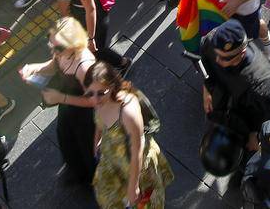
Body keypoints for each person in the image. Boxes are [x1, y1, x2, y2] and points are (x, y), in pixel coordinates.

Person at [198, 19, 270, 168]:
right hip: (230, 99)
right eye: (217, 54)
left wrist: (257, 136)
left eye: (225, 58)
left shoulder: (260, 82)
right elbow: (209, 66)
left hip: (250, 115)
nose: (218, 60)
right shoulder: (212, 42)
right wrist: (207, 87)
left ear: (242, 53)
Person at [16, 16, 98, 185]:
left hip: (85, 116)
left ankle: (91, 180)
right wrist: (34, 68)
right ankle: (76, 171)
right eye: (51, 44)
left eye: (58, 47)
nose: (54, 50)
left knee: (86, 147)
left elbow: (94, 102)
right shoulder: (63, 52)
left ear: (73, 43)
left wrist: (60, 97)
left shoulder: (85, 66)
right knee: (66, 137)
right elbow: (54, 65)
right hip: (68, 107)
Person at [86, 62, 174, 209]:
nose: (94, 100)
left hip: (135, 167)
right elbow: (99, 121)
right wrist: (97, 141)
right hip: (114, 159)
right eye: (90, 93)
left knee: (145, 204)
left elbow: (137, 151)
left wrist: (133, 187)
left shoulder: (127, 111)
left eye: (101, 93)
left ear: (112, 86)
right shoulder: (100, 100)